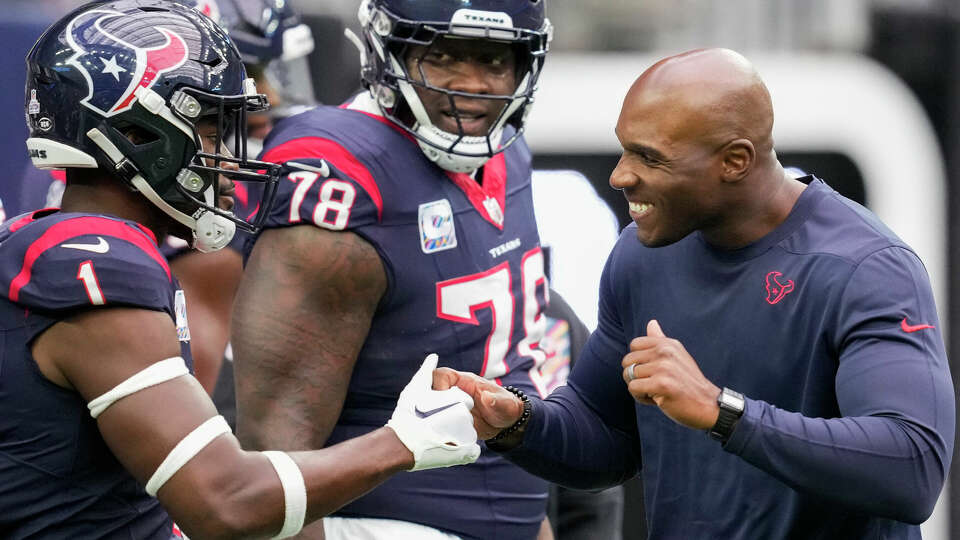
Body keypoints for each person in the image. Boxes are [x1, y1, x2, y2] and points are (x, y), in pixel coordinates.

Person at [0, 2, 480, 538]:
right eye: (210, 129)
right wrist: (405, 442)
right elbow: (225, 502)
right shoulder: (96, 263)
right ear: (135, 136)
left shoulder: (54, 241)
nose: (229, 158)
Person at [435, 48, 955, 539]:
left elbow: (912, 468)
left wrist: (720, 410)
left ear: (734, 161)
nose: (621, 175)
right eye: (623, 148)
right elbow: (603, 438)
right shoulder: (640, 256)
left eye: (650, 158)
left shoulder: (866, 268)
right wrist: (517, 422)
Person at [231, 0, 555, 538]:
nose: (472, 83)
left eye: (495, 61)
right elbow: (278, 448)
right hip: (382, 520)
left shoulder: (506, 154)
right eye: (445, 55)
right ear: (390, 51)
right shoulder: (344, 169)